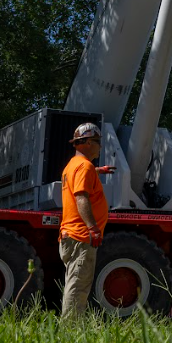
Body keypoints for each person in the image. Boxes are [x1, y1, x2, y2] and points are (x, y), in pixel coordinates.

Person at [59, 122, 107, 319]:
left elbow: (78, 178)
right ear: (87, 142)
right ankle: (70, 333)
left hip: (71, 235)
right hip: (81, 236)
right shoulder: (85, 167)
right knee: (78, 286)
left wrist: (97, 172)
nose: (100, 146)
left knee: (76, 282)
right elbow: (81, 197)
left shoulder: (73, 166)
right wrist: (93, 228)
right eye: (97, 142)